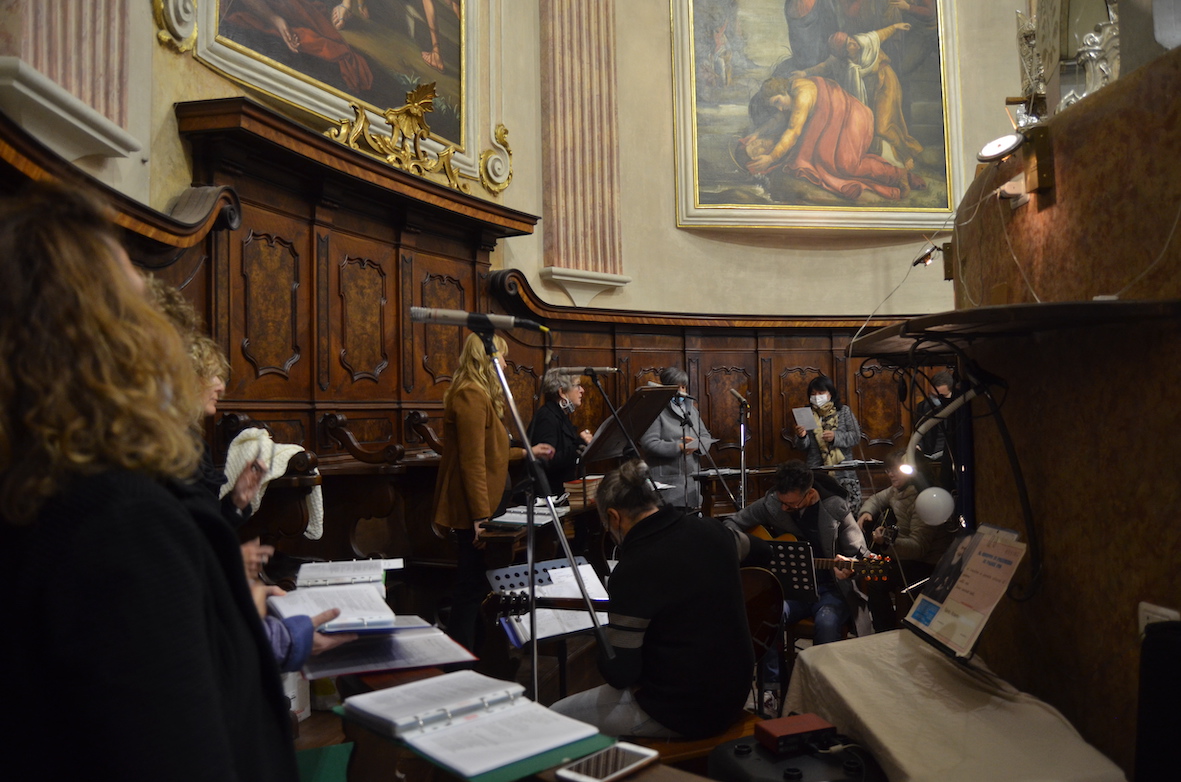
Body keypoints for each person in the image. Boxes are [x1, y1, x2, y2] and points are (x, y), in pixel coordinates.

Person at [0, 183, 297, 780]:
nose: (163, 333)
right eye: (139, 305)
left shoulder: (39, 485)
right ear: (99, 339)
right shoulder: (120, 521)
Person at [549, 460, 754, 739]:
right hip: (735, 693)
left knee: (553, 718)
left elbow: (621, 674)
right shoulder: (714, 531)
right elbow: (761, 551)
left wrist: (604, 637)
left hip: (684, 711)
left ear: (614, 516)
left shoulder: (634, 569)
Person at [431, 332, 554, 652]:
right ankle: (460, 658)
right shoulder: (470, 395)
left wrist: (527, 452)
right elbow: (472, 461)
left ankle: (480, 653)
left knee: (481, 584)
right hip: (476, 506)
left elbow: (491, 451)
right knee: (471, 587)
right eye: (500, 355)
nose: (505, 363)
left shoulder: (480, 394)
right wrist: (480, 518)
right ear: (485, 359)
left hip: (488, 501)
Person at [725, 460, 872, 643]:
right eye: (782, 502)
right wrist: (747, 549)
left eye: (791, 504)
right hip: (790, 590)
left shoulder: (835, 508)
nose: (784, 508)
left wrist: (850, 568)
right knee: (766, 620)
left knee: (827, 623)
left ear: (810, 494)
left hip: (831, 590)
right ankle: (775, 664)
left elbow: (860, 553)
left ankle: (819, 663)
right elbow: (731, 524)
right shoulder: (773, 503)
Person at [744, 75, 923, 201]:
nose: (779, 108)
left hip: (853, 117)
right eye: (775, 105)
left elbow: (793, 131)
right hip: (838, 120)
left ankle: (898, 174)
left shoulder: (802, 96)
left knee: (847, 165)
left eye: (777, 102)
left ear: (784, 92)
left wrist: (771, 158)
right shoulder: (789, 89)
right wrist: (758, 133)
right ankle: (896, 173)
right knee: (829, 161)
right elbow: (780, 118)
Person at [794, 22, 925, 170]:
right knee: (877, 126)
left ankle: (906, 156)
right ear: (843, 52)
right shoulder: (839, 61)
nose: (853, 43)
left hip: (886, 82)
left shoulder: (864, 41)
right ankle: (904, 154)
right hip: (871, 89)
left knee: (882, 127)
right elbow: (823, 67)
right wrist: (804, 73)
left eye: (850, 39)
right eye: (848, 44)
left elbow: (879, 35)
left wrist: (895, 27)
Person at [857, 449, 955, 631]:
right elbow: (876, 499)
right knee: (869, 570)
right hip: (906, 555)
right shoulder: (897, 490)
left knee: (876, 580)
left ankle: (886, 632)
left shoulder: (923, 498)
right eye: (888, 470)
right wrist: (866, 512)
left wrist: (887, 542)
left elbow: (918, 548)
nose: (890, 474)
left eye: (896, 470)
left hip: (928, 563)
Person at [639, 366, 716, 512]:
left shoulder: (691, 410)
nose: (681, 391)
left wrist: (697, 445)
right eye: (677, 387)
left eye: (684, 387)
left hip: (692, 484)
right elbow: (649, 443)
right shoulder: (656, 410)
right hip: (667, 485)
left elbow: (705, 436)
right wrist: (678, 446)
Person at [793, 375, 863, 514]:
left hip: (843, 471)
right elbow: (803, 447)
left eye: (821, 393)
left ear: (830, 393)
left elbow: (856, 436)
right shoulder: (807, 414)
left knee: (847, 511)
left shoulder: (844, 411)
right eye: (813, 394)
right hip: (817, 471)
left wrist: (835, 437)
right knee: (820, 512)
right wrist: (802, 436)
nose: (817, 397)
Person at [527, 367, 594, 492]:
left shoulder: (560, 415)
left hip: (561, 491)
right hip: (549, 494)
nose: (582, 390)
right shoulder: (547, 417)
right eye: (577, 386)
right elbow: (546, 461)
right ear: (562, 392)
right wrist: (578, 445)